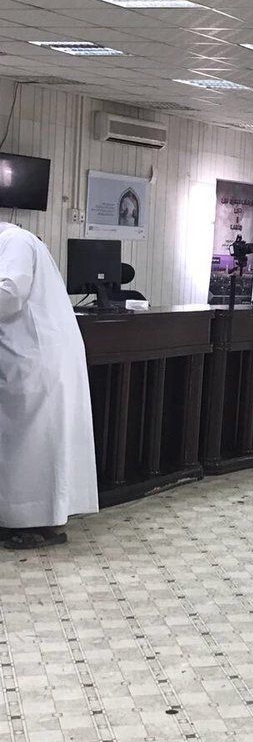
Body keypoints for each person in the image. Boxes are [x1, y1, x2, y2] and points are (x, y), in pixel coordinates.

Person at [0, 224, 98, 549]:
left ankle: (40, 525)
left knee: (34, 444)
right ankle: (23, 520)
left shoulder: (14, 240)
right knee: (27, 444)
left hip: (38, 357)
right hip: (29, 355)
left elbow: (10, 293)